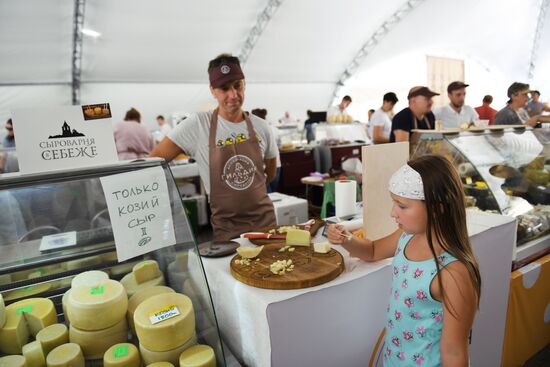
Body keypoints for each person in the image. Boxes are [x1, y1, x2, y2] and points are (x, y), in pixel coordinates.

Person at [327, 155, 481, 366]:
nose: (393, 213)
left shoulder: (453, 273)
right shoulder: (406, 237)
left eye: (402, 206)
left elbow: (454, 352)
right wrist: (346, 239)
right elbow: (372, 250)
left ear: (436, 209)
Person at [150, 53, 277, 241]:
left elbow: (271, 171)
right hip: (228, 230)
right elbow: (154, 159)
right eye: (224, 88)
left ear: (244, 84)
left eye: (237, 86)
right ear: (212, 91)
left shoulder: (261, 126)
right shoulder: (198, 125)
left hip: (266, 225)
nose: (233, 95)